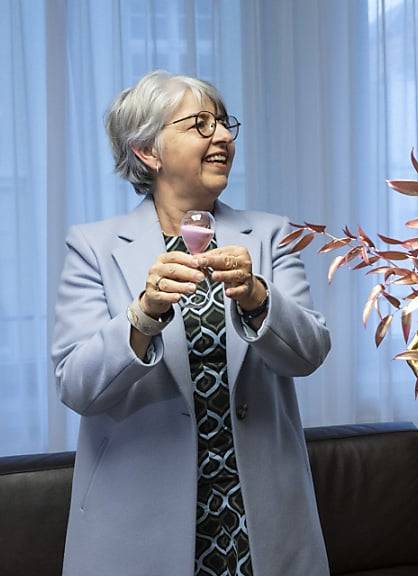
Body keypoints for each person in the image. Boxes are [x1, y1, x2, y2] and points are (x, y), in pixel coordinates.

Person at [51, 70, 332, 576]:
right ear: (148, 152)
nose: (222, 136)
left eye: (224, 124)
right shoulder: (93, 247)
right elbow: (77, 387)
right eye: (200, 125)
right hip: (139, 522)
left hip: (261, 520)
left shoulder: (271, 236)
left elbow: (309, 354)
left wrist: (257, 296)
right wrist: (143, 315)